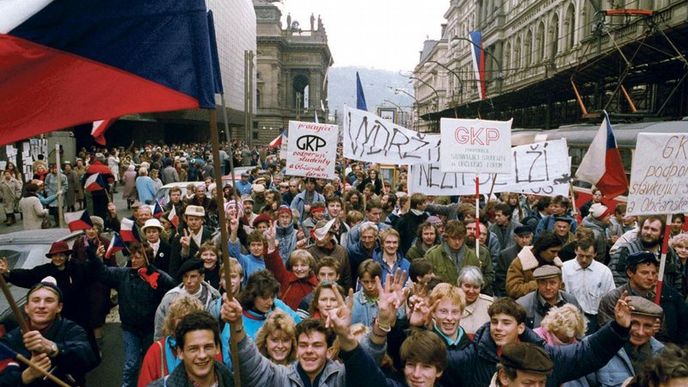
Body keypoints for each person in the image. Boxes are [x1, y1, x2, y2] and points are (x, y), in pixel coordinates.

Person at [444, 295, 633, 387]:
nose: (498, 328)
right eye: (494, 322)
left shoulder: (545, 357)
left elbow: (586, 353)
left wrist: (617, 328)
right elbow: (429, 365)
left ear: (520, 328)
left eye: (506, 323)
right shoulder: (471, 358)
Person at [89, 242, 176, 387]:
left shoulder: (155, 275)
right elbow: (103, 273)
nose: (134, 260)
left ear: (147, 258)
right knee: (131, 364)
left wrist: (157, 276)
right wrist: (95, 258)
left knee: (152, 362)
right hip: (130, 329)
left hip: (151, 329)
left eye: (138, 257)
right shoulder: (123, 274)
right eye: (132, 257)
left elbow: (173, 286)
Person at [0, 278, 99, 386]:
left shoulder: (72, 329)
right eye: (36, 300)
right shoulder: (9, 340)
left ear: (59, 307)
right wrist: (28, 375)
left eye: (49, 300)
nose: (41, 306)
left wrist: (52, 348)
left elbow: (88, 358)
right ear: (27, 308)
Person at [597, 251, 688, 345]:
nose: (651, 278)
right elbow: (605, 333)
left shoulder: (656, 298)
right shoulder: (615, 298)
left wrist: (655, 332)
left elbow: (663, 335)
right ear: (630, 272)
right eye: (644, 273)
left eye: (653, 273)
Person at [592, 296, 664, 387]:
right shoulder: (596, 349)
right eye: (634, 323)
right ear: (622, 320)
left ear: (655, 327)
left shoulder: (662, 355)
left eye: (647, 326)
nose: (640, 332)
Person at [149, 311, 234, 387]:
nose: (202, 355)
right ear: (180, 352)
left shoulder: (235, 382)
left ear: (217, 348)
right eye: (194, 349)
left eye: (208, 347)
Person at [138, 296, 206, 387]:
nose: (186, 324)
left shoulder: (207, 348)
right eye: (181, 319)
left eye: (190, 318)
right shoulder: (157, 350)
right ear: (172, 321)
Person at [154, 259, 221, 341]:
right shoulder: (170, 298)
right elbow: (160, 328)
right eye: (185, 276)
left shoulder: (213, 296)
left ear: (202, 277)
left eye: (193, 276)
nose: (189, 281)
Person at [562, 239, 615, 333]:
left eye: (588, 256)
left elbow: (610, 297)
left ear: (595, 254)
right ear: (575, 251)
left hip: (594, 318)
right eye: (580, 255)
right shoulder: (564, 268)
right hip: (568, 316)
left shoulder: (604, 272)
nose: (584, 260)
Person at [424, 220, 488, 285]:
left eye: (460, 238)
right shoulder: (432, 255)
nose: (457, 242)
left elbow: (478, 281)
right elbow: (426, 281)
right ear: (446, 237)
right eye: (453, 238)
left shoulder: (472, 256)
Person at [516, 265, 582, 329]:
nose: (548, 287)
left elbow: (580, 329)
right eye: (543, 283)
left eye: (552, 283)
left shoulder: (571, 301)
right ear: (537, 284)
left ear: (560, 284)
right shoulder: (523, 305)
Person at [506, 231, 564, 299]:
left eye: (558, 252)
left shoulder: (556, 264)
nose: (556, 255)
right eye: (553, 251)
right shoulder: (520, 263)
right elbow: (513, 290)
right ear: (541, 249)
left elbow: (561, 288)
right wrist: (539, 283)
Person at [169, 205, 213, 275]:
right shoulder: (179, 239)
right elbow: (174, 266)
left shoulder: (210, 236)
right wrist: (185, 250)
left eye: (196, 219)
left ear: (202, 220)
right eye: (191, 219)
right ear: (186, 220)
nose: (193, 222)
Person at [495, 225, 533, 296]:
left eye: (527, 237)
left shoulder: (537, 253)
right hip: (511, 294)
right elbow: (500, 279)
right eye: (521, 237)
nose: (524, 240)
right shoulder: (505, 254)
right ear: (515, 237)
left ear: (531, 238)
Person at [458, 266, 494, 337]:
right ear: (460, 285)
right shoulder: (451, 302)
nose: (471, 291)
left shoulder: (489, 304)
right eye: (467, 286)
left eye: (476, 287)